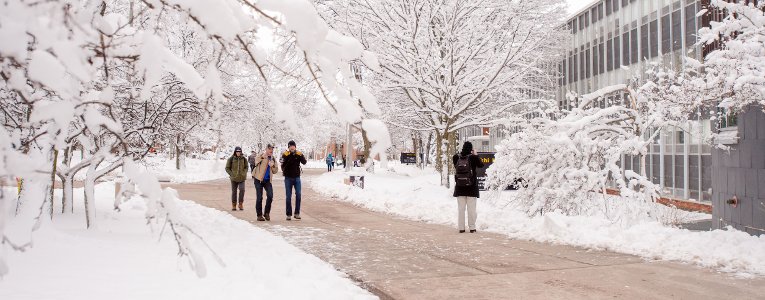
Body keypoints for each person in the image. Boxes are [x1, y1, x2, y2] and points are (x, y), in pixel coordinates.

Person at [452, 141, 484, 233]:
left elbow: (456, 167)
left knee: (461, 209)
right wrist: (476, 154)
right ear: (471, 149)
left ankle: (461, 228)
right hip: (471, 187)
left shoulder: (456, 157)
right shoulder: (473, 158)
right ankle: (472, 228)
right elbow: (481, 165)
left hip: (459, 187)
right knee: (471, 209)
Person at [281, 140, 307, 220]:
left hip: (297, 178)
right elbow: (282, 165)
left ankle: (297, 213)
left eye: (293, 146)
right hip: (288, 178)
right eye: (290, 146)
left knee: (298, 194)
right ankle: (288, 214)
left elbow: (304, 162)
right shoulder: (285, 154)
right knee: (288, 196)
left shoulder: (298, 154)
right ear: (288, 147)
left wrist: (301, 155)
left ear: (295, 147)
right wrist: (287, 157)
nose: (292, 147)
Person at [252, 144, 278, 221]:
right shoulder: (261, 155)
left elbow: (275, 171)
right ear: (266, 149)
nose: (271, 150)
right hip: (258, 179)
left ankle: (266, 213)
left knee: (270, 196)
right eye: (269, 149)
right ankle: (259, 215)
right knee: (260, 197)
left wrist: (273, 166)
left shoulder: (273, 159)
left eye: (272, 149)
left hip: (267, 181)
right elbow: (255, 162)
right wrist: (263, 157)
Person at [226, 146, 248, 211]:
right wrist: (231, 174)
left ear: (241, 152)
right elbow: (227, 168)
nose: (238, 153)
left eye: (239, 151)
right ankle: (234, 205)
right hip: (234, 179)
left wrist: (244, 173)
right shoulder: (231, 159)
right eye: (237, 151)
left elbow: (246, 167)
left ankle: (240, 204)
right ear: (235, 152)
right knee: (234, 192)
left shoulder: (244, 159)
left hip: (242, 178)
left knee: (242, 189)